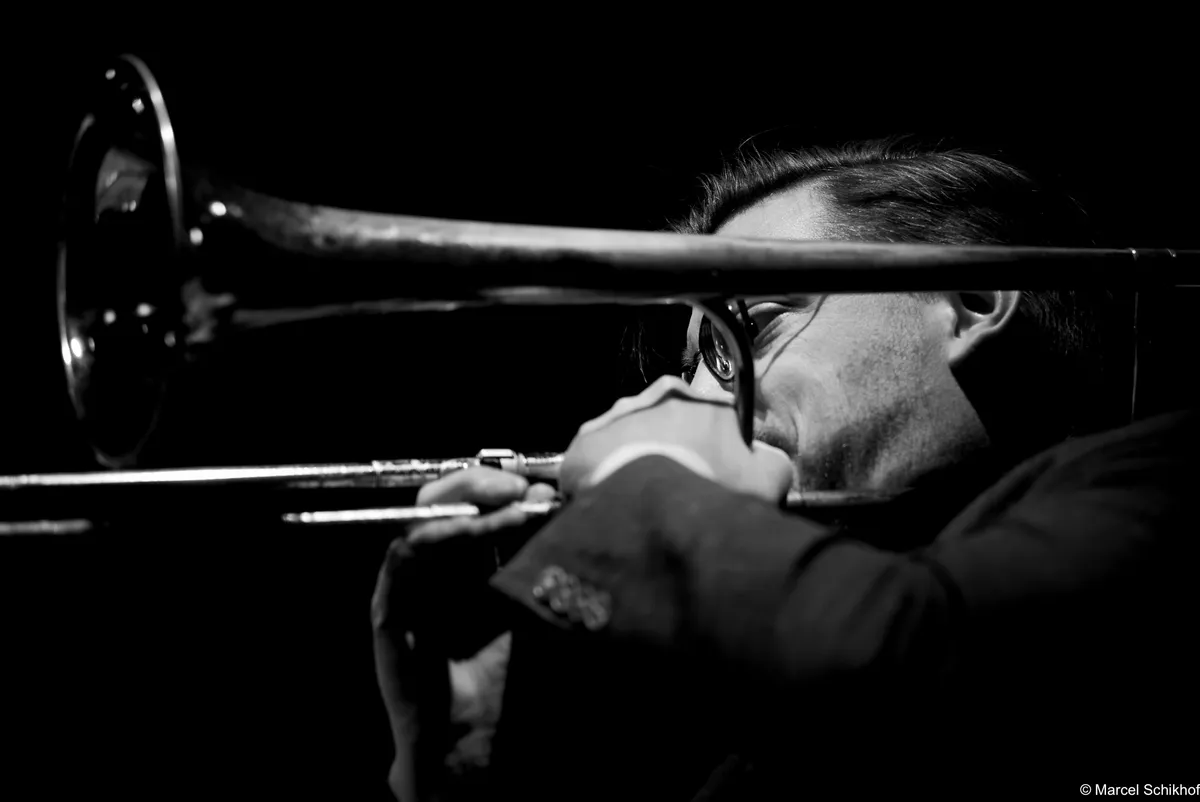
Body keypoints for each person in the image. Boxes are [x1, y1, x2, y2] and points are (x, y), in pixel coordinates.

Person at [372, 136, 1198, 799]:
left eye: (753, 329)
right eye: (701, 363)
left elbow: (914, 678)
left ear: (971, 300)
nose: (697, 398)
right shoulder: (747, 734)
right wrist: (465, 755)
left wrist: (652, 472)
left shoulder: (1172, 477)